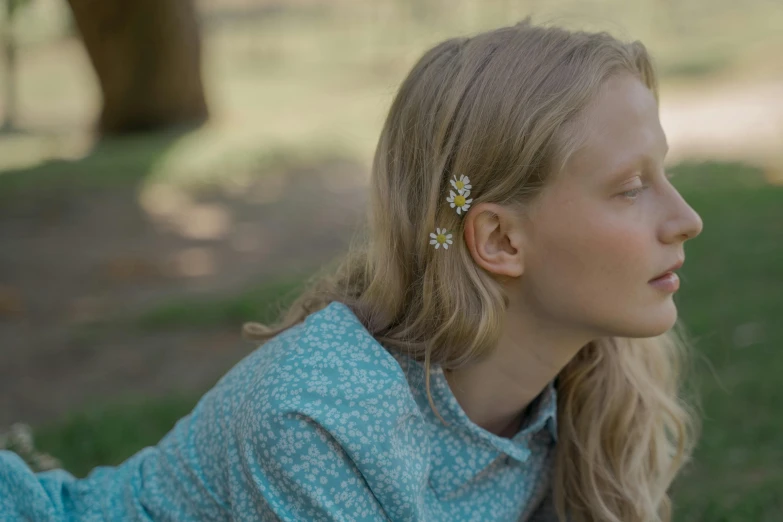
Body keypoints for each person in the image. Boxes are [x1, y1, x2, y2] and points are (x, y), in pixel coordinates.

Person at [0, 18, 704, 522]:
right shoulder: (319, 418)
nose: (685, 219)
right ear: (497, 240)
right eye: (629, 187)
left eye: (661, 174)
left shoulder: (600, 383)